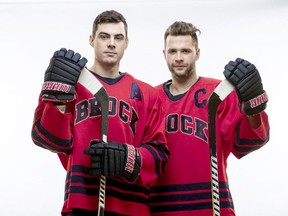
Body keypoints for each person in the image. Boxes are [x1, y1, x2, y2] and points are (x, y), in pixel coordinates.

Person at [31, 10, 169, 216]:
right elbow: (48, 140)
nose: (111, 43)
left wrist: (127, 159)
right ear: (92, 39)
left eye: (118, 37)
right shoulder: (70, 84)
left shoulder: (146, 94)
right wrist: (58, 102)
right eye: (104, 36)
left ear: (126, 43)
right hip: (81, 202)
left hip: (131, 206)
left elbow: (160, 156)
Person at [149, 21, 270, 216]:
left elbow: (248, 143)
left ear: (197, 53)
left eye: (185, 51)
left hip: (212, 208)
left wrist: (253, 110)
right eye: (172, 51)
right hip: (161, 208)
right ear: (164, 54)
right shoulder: (151, 98)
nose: (178, 57)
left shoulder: (219, 94)